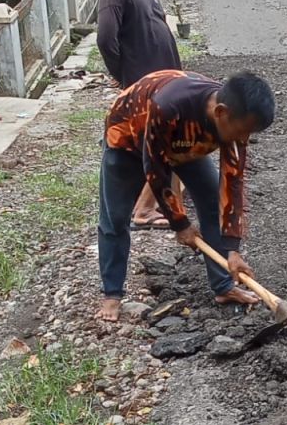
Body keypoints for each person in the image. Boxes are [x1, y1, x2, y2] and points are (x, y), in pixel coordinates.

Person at [96, 69, 276, 322]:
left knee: (213, 201)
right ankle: (112, 294)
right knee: (115, 217)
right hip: (128, 136)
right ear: (221, 113)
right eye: (242, 131)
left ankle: (223, 286)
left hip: (185, 143)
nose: (244, 139)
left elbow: (233, 184)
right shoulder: (169, 107)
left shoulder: (232, 122)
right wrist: (180, 223)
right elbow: (155, 169)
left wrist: (232, 250)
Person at [96, 0, 183, 230]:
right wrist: (125, 79)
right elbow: (106, 39)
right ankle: (144, 210)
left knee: (170, 143)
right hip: (145, 87)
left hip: (165, 82)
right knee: (165, 146)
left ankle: (168, 202)